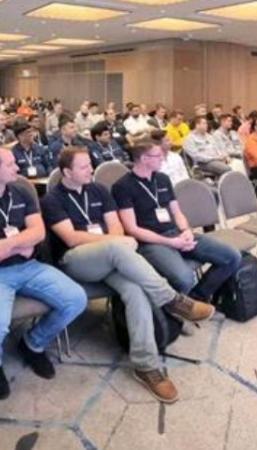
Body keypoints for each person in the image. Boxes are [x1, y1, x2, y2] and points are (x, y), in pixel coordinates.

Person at [42, 147, 212, 402]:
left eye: (90, 164)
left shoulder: (99, 190)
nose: (91, 169)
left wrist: (116, 243)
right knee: (117, 247)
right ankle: (171, 299)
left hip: (111, 259)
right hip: (75, 261)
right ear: (67, 172)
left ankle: (145, 366)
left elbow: (116, 226)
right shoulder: (53, 199)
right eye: (84, 166)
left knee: (135, 290)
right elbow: (71, 237)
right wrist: (114, 243)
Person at [0, 148, 87, 399]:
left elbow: (38, 233)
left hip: (28, 267)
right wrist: (20, 245)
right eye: (11, 164)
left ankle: (32, 343)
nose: (18, 168)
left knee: (76, 299)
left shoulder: (22, 193)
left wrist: (4, 245)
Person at [112, 138, 242, 301]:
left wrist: (186, 231)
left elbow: (177, 212)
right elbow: (132, 229)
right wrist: (170, 243)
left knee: (232, 257)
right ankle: (181, 307)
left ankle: (196, 299)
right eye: (158, 155)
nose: (163, 158)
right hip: (150, 243)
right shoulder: (123, 186)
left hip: (176, 233)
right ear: (144, 159)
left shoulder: (163, 179)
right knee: (184, 279)